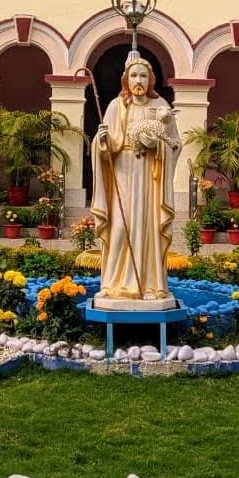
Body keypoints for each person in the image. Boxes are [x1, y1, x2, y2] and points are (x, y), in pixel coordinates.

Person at [88, 55, 181, 302]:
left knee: (147, 228)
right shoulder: (115, 106)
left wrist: (157, 145)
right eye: (133, 75)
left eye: (143, 75)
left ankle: (150, 285)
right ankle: (111, 283)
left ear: (151, 80)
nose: (138, 80)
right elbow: (105, 147)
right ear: (126, 80)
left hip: (150, 177)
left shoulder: (160, 106)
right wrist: (102, 141)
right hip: (122, 173)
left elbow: (175, 144)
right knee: (119, 227)